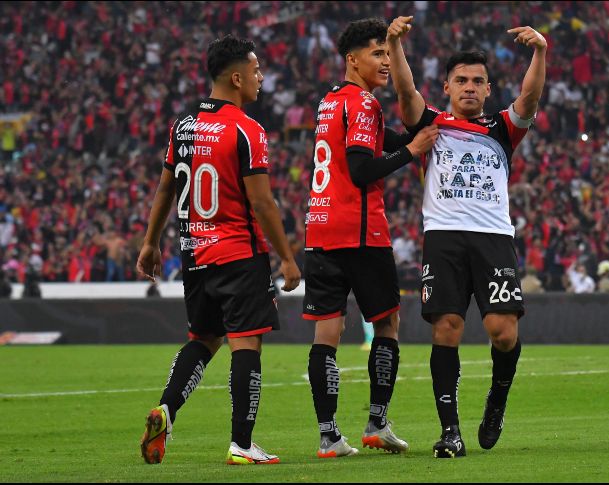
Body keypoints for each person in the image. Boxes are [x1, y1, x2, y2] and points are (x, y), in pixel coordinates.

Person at [135, 35, 301, 466]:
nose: (261, 77)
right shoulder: (247, 129)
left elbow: (166, 186)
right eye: (256, 69)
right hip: (238, 253)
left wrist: (151, 241)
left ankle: (166, 411)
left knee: (203, 339)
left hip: (193, 254)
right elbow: (262, 202)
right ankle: (243, 444)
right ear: (236, 76)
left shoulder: (183, 123)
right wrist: (285, 256)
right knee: (247, 344)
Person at [387, 16, 546, 457]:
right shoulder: (430, 123)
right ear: (448, 87)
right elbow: (403, 91)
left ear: (489, 90)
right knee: (447, 328)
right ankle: (450, 431)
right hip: (443, 236)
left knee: (502, 332)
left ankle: (497, 399)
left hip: (493, 236)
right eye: (462, 80)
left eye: (478, 81)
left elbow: (530, 98)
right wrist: (395, 44)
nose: (470, 87)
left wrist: (540, 51)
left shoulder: (502, 129)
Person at [303, 18, 438, 459]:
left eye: (387, 53)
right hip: (360, 232)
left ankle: (328, 436)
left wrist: (419, 137)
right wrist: (411, 153)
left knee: (327, 332)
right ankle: (377, 422)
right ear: (352, 59)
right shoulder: (363, 104)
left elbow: (396, 138)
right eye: (377, 53)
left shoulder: (330, 102)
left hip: (319, 229)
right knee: (387, 323)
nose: (384, 61)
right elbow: (363, 168)